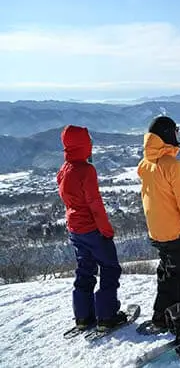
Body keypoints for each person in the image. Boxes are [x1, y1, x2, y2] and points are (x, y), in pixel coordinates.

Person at [57, 125, 126, 331]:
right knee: (110, 268)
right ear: (84, 144)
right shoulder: (86, 170)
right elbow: (95, 204)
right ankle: (106, 316)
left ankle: (83, 317)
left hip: (75, 229)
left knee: (85, 270)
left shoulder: (64, 169)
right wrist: (106, 230)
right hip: (92, 229)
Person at [137, 116, 180, 331]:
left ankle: (172, 307)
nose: (177, 135)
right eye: (176, 131)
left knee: (167, 271)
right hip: (175, 230)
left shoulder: (145, 164)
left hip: (156, 230)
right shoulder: (172, 165)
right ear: (167, 134)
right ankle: (170, 316)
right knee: (177, 275)